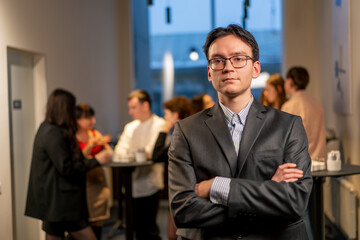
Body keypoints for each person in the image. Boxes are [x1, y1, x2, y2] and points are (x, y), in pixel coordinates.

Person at [168, 24, 312, 240]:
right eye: (218, 60)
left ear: (255, 68)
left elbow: (294, 201)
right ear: (209, 72)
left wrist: (217, 187)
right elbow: (184, 210)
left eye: (238, 58)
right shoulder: (186, 131)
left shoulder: (288, 125)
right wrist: (269, 189)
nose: (228, 67)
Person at [25, 89, 111, 240]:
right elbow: (67, 168)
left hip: (55, 201)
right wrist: (97, 160)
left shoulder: (48, 128)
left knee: (54, 235)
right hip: (61, 202)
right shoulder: (53, 132)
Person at [281, 66, 327, 240]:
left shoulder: (289, 106)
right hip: (321, 164)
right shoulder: (316, 103)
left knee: (303, 213)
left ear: (291, 81)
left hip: (299, 167)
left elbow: (284, 143)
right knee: (316, 210)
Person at [114, 89, 165, 240]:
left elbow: (150, 153)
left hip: (150, 184)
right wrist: (137, 153)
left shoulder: (160, 124)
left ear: (146, 105)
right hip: (131, 184)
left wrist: (132, 153)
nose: (130, 112)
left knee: (149, 228)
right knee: (133, 227)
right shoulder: (130, 127)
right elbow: (119, 151)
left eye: (133, 107)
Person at [152, 96, 193, 240]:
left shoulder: (181, 134)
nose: (165, 116)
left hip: (181, 189)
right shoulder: (191, 129)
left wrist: (163, 130)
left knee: (174, 234)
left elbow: (156, 156)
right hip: (187, 189)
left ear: (175, 115)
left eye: (167, 113)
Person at [75, 104, 112, 240]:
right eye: (88, 118)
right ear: (77, 120)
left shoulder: (95, 133)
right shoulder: (72, 136)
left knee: (98, 222)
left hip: (98, 181)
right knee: (82, 224)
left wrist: (103, 145)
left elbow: (110, 153)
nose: (93, 121)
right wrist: (91, 144)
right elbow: (77, 159)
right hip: (83, 183)